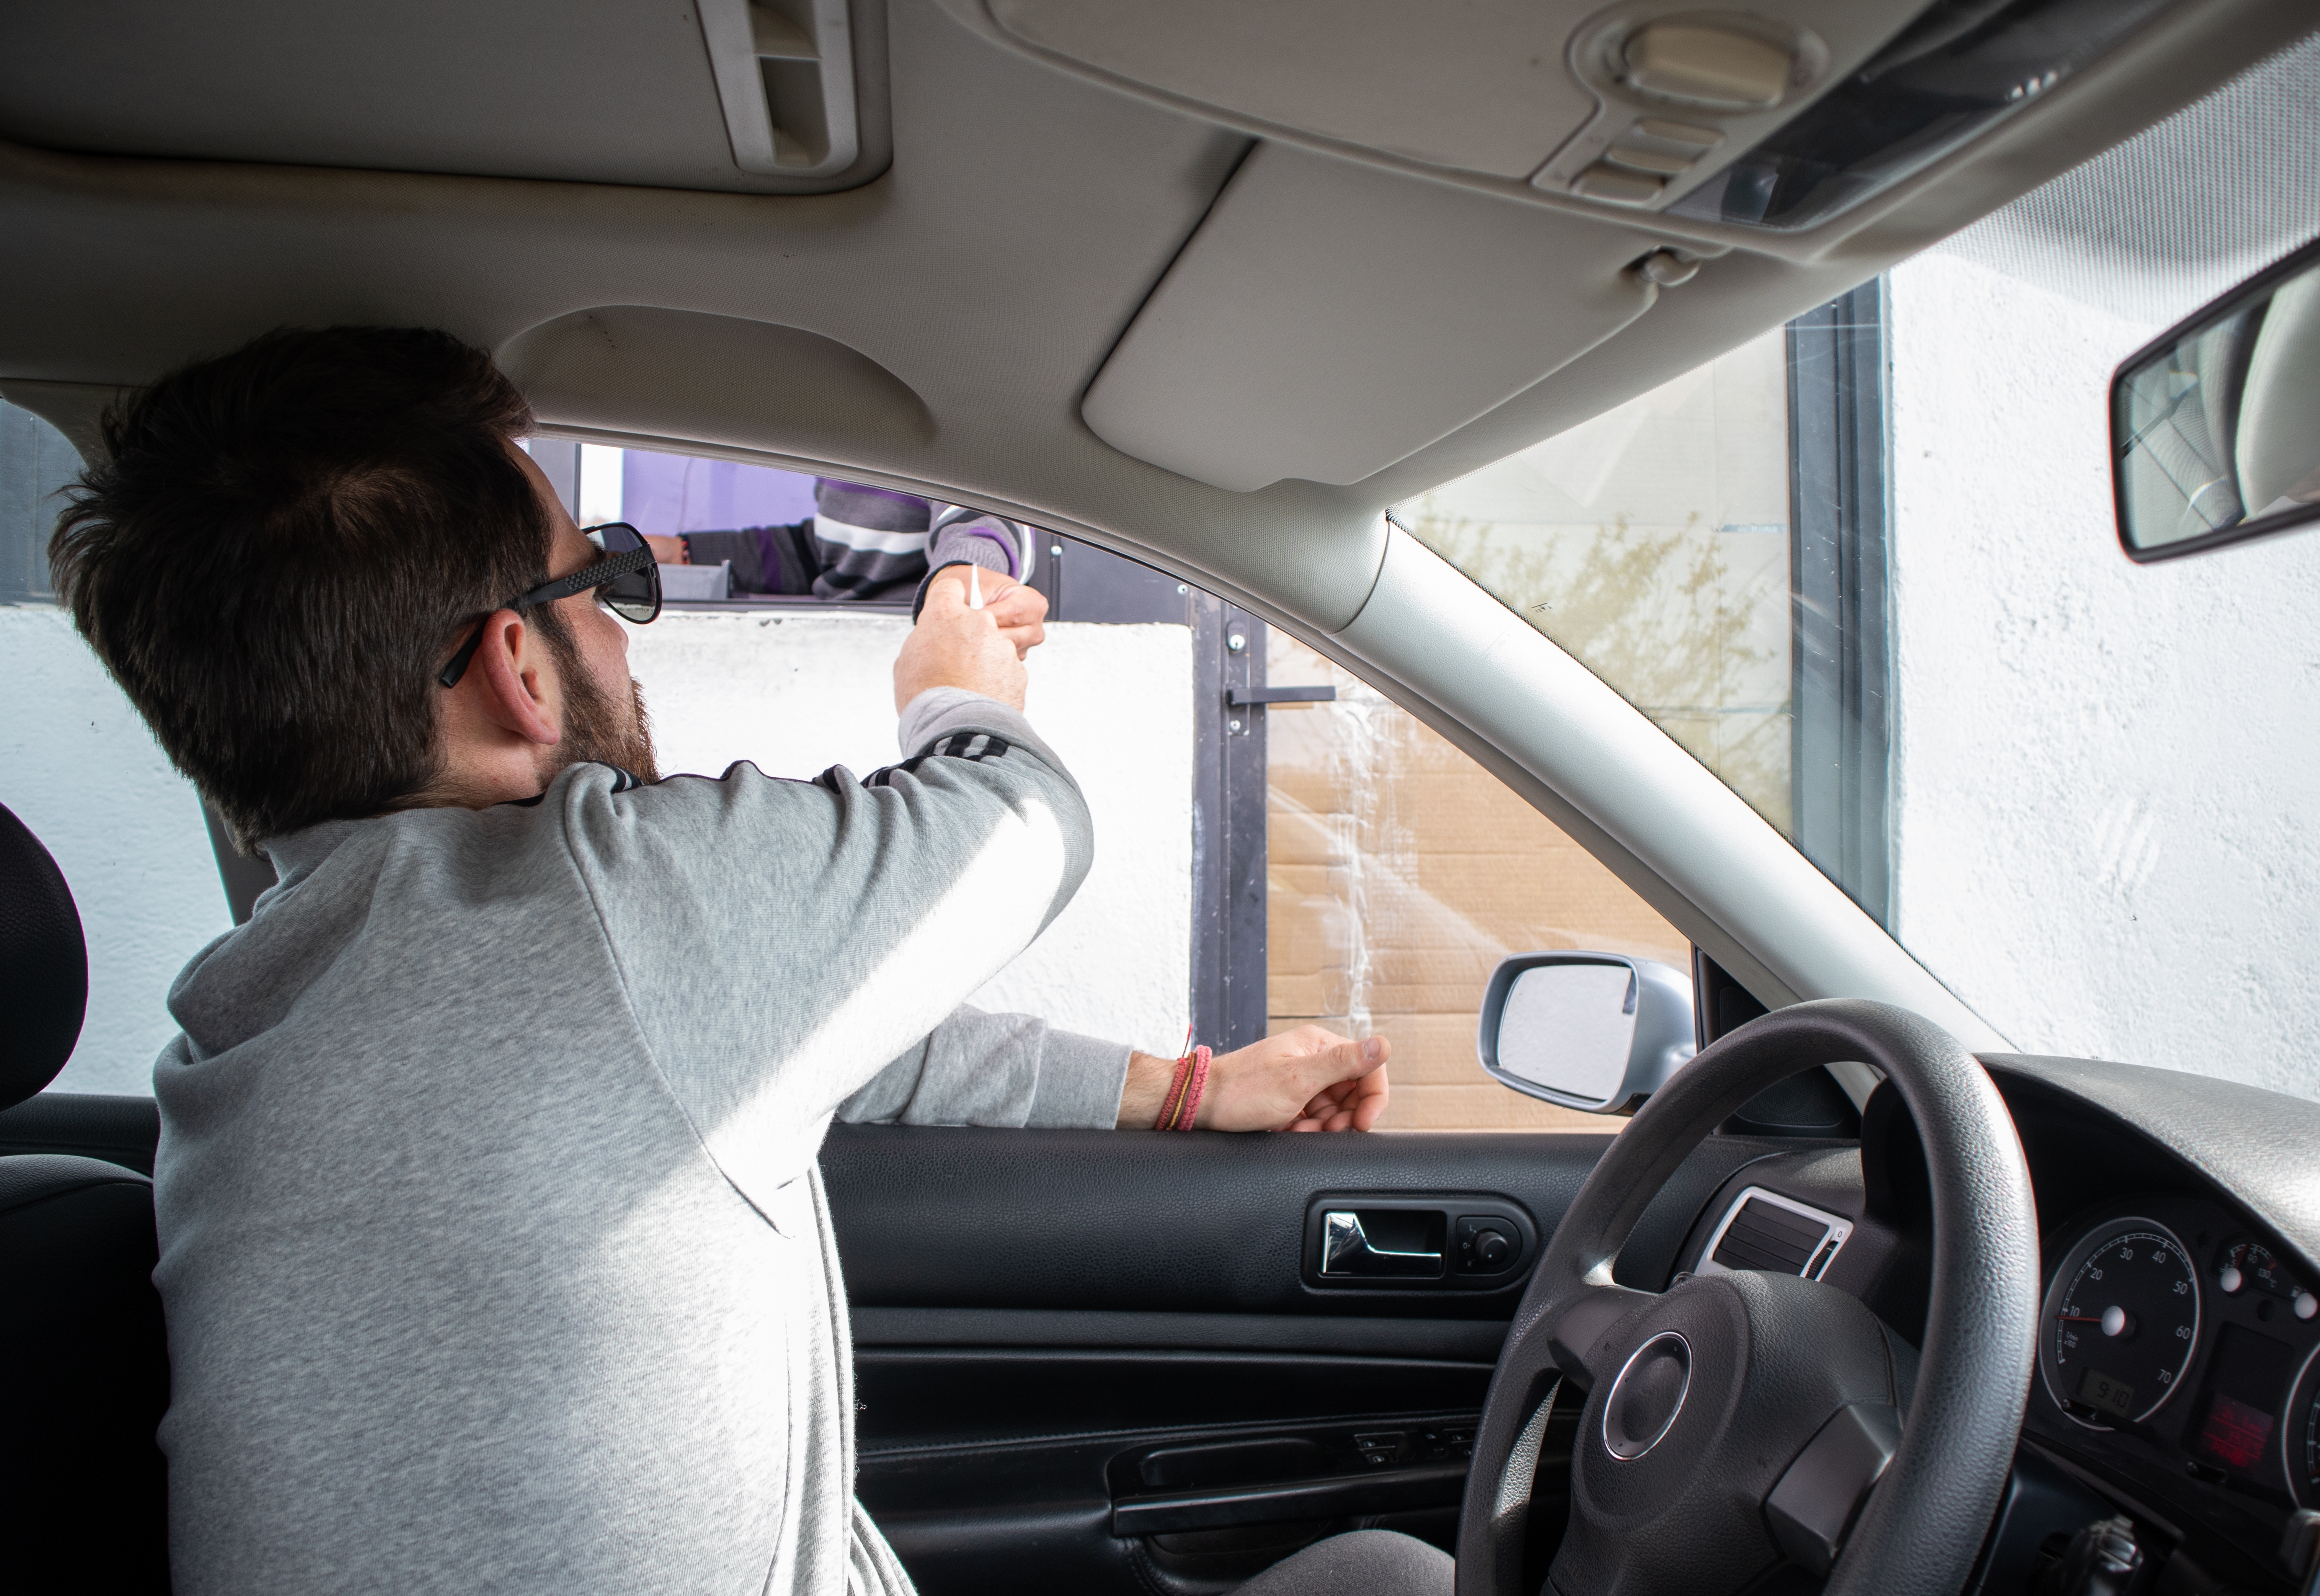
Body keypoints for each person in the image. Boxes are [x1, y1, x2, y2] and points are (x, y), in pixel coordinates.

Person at [47, 325, 1446, 1596]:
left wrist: (1193, 1089)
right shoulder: (602, 901)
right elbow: (1022, 819)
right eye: (598, 582)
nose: (622, 629)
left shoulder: (239, 1035)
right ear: (516, 668)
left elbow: (822, 1023)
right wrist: (953, 675)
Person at [646, 479, 1032, 606]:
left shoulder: (935, 432)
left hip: (900, 646)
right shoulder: (844, 440)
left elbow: (985, 523)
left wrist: (958, 591)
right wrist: (685, 554)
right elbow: (821, 554)